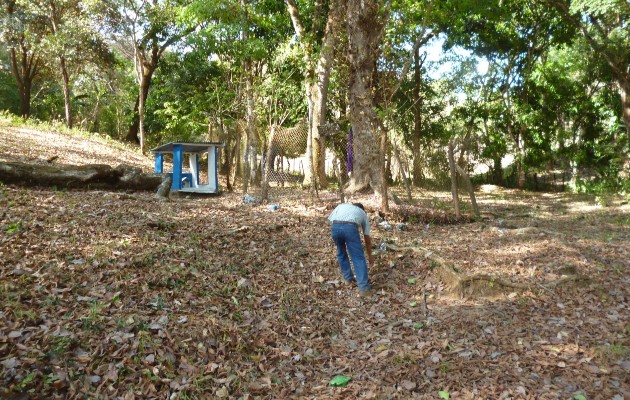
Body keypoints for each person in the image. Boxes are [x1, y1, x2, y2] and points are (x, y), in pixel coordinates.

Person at [328, 202, 375, 296]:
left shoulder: (341, 206)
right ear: (362, 209)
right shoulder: (362, 213)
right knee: (358, 257)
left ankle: (348, 279)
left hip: (335, 227)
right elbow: (367, 239)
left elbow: (331, 220)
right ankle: (364, 288)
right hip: (350, 229)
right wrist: (370, 256)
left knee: (341, 253)